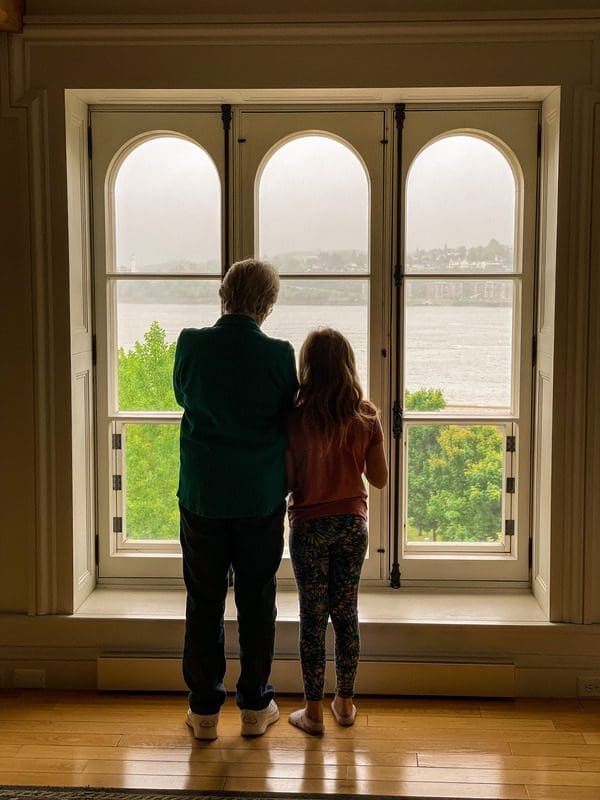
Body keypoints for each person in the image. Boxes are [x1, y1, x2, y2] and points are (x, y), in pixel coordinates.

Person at [173, 258, 298, 740]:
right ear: (267, 305)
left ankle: (204, 710)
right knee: (256, 597)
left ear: (223, 295)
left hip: (204, 492)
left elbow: (184, 395)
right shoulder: (280, 354)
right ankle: (254, 704)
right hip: (259, 494)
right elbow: (288, 415)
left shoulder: (192, 343)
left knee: (203, 600)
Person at [285, 328, 388, 735]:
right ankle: (344, 703)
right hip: (351, 526)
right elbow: (378, 479)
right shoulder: (365, 415)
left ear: (308, 367)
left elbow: (288, 483)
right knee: (346, 614)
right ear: (348, 364)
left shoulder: (295, 417)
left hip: (309, 526)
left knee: (312, 618)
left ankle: (312, 712)